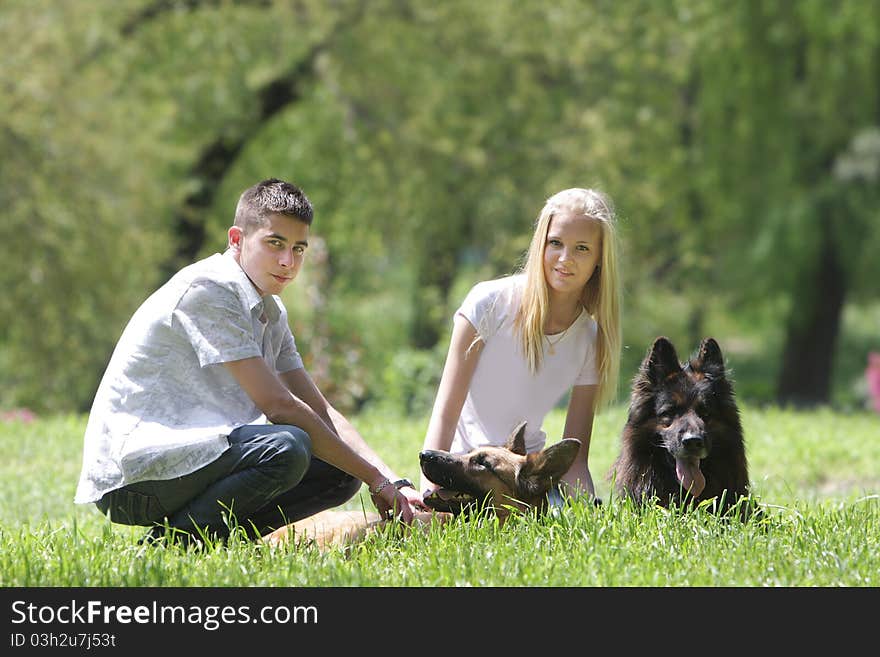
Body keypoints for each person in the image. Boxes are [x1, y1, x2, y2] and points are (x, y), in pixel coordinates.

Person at [75, 178, 425, 545]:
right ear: (237, 240)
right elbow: (279, 406)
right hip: (134, 479)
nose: (288, 261)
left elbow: (318, 407)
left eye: (298, 249)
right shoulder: (210, 290)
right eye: (275, 244)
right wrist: (377, 480)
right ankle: (173, 545)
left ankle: (218, 541)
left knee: (339, 471)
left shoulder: (270, 309)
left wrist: (389, 479)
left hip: (192, 458)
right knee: (288, 447)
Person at [419, 188, 622, 503]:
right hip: (466, 471)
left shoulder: (591, 339)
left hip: (523, 482)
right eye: (555, 243)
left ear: (599, 259)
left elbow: (576, 461)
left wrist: (586, 513)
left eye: (582, 248)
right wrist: (429, 491)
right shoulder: (489, 303)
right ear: (540, 243)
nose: (565, 259)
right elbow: (445, 416)